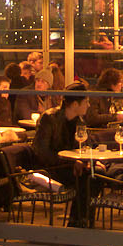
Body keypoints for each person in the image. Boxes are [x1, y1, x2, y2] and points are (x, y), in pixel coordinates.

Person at [31, 88, 94, 226]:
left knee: (96, 173)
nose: (89, 105)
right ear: (75, 104)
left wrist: (90, 162)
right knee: (87, 176)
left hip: (68, 166)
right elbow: (41, 152)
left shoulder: (80, 121)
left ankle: (82, 221)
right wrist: (72, 163)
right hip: (50, 169)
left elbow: (86, 146)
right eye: (86, 102)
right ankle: (78, 222)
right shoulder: (50, 118)